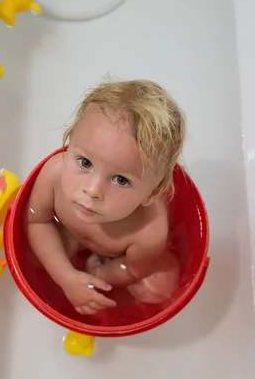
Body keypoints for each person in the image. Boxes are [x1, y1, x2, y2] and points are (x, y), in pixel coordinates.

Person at [26, 79, 185, 315]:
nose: (92, 190)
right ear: (69, 144)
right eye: (85, 163)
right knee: (35, 259)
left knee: (162, 286)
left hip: (115, 258)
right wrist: (66, 276)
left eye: (121, 180)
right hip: (69, 233)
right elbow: (37, 220)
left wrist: (98, 276)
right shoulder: (54, 174)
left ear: (152, 194)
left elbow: (132, 270)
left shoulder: (149, 230)